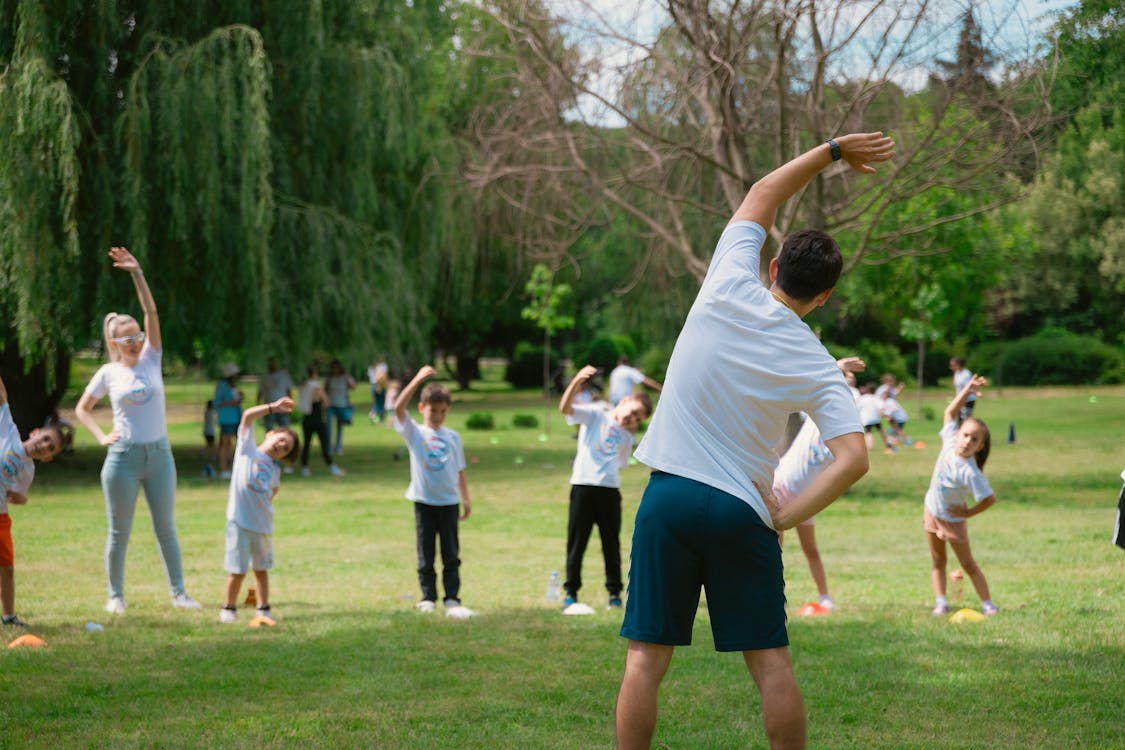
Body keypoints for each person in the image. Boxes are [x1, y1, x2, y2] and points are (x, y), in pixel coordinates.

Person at [615, 132, 892, 750]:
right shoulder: (818, 361)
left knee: (644, 662)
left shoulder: (726, 282)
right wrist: (787, 516)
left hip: (669, 499)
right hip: (745, 510)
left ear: (772, 268)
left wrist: (834, 151)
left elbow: (763, 193)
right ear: (823, 297)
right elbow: (854, 458)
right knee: (771, 665)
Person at [74, 246, 203, 614]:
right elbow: (83, 410)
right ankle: (115, 596)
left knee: (167, 528)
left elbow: (151, 311)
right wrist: (101, 436)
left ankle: (179, 594)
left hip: (160, 456)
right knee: (119, 533)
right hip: (124, 459)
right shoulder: (108, 373)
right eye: (128, 339)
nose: (136, 342)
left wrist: (136, 273)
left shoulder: (152, 358)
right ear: (115, 343)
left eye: (138, 337)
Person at [772, 357, 867, 613]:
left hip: (808, 497)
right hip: (781, 486)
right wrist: (837, 366)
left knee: (810, 548)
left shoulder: (845, 432)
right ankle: (772, 598)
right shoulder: (815, 412)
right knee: (773, 549)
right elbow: (814, 381)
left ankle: (825, 597)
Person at [558, 364, 653, 611]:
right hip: (583, 485)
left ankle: (614, 593)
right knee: (577, 541)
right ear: (625, 400)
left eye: (637, 418)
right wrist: (578, 380)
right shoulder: (596, 414)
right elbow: (565, 408)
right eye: (633, 412)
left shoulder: (627, 437)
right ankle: (571, 590)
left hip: (609, 490)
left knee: (610, 543)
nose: (631, 419)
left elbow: (620, 463)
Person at [394, 365, 475, 619]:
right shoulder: (415, 432)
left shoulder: (453, 437)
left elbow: (460, 469)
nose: (438, 416)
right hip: (424, 501)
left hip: (449, 502)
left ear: (448, 410)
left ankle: (452, 598)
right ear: (422, 409)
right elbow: (397, 408)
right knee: (425, 553)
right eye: (433, 410)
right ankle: (428, 597)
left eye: (442, 411)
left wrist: (466, 498)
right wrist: (417, 379)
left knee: (451, 554)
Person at [0, 374, 73, 627]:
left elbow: (19, 494)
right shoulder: (7, 430)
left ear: (48, 458)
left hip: (0, 516)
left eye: (49, 448)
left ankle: (9, 617)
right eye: (44, 439)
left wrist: (21, 498)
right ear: (35, 432)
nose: (43, 446)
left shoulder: (28, 471)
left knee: (7, 568)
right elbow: (2, 397)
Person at [219, 396, 300, 624]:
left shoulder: (274, 470)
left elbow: (272, 493)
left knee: (261, 569)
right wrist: (273, 407)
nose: (281, 446)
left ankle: (263, 608)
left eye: (286, 449)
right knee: (238, 569)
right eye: (282, 440)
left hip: (262, 525)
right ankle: (228, 608)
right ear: (270, 434)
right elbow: (246, 416)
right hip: (239, 521)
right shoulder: (247, 449)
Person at [924, 373, 998, 617]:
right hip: (933, 510)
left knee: (967, 564)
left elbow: (989, 499)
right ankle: (941, 602)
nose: (967, 441)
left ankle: (988, 604)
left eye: (974, 439)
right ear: (958, 434)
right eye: (965, 435)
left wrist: (967, 513)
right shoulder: (948, 442)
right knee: (938, 560)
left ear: (980, 447)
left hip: (954, 520)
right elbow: (949, 413)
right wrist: (967, 389)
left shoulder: (971, 472)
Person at [297, 365, 344, 478]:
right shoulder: (316, 387)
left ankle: (304, 467)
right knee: (324, 443)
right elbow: (326, 402)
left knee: (307, 444)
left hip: (306, 419)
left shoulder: (303, 386)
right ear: (315, 374)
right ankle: (331, 466)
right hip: (317, 419)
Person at [214, 362, 243, 479]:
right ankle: (224, 469)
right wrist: (232, 403)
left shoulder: (233, 386)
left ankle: (235, 467)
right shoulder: (221, 385)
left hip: (236, 416)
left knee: (236, 443)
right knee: (225, 443)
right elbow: (217, 402)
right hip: (226, 418)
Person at [325, 359, 355, 455]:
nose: (335, 369)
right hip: (331, 405)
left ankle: (338, 447)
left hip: (342, 405)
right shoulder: (329, 378)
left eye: (336, 367)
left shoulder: (344, 378)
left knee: (339, 427)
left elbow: (353, 387)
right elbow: (325, 390)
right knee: (329, 427)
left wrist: (347, 376)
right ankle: (329, 448)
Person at [258, 357, 294, 431]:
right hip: (269, 406)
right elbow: (260, 393)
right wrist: (259, 407)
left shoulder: (284, 374)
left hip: (283, 406)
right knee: (269, 429)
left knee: (285, 429)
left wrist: (290, 405)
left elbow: (289, 391)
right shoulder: (264, 376)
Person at [950, 357, 976, 424]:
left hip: (967, 400)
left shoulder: (966, 374)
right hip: (960, 399)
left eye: (953, 365)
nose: (951, 367)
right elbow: (957, 388)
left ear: (958, 364)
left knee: (965, 419)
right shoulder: (957, 373)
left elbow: (968, 389)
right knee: (958, 419)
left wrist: (963, 400)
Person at [367, 356, 389, 424]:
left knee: (377, 403)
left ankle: (373, 415)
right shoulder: (383, 366)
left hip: (373, 386)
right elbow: (385, 377)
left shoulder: (370, 368)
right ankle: (381, 420)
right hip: (380, 385)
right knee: (382, 403)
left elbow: (370, 379)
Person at [201, 399, 218, 478]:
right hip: (210, 431)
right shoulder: (212, 412)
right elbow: (215, 421)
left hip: (206, 430)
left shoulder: (206, 412)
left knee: (209, 444)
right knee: (213, 444)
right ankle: (214, 456)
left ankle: (203, 452)